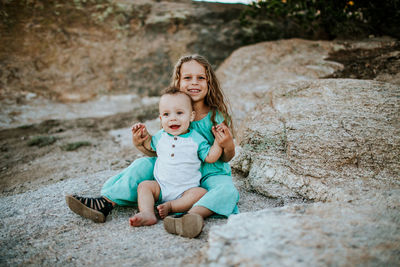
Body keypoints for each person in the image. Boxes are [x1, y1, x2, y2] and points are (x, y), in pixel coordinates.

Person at [66, 54, 239, 238]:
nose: (194, 83)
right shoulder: (172, 111)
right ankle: (106, 203)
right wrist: (140, 144)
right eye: (187, 78)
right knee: (142, 165)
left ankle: (191, 216)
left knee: (227, 190)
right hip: (174, 170)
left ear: (209, 82)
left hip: (210, 170)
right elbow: (159, 151)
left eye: (201, 78)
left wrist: (226, 144)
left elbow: (226, 156)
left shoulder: (216, 116)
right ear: (178, 81)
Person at [128, 88, 222, 234]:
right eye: (166, 114)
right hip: (161, 188)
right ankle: (147, 213)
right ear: (160, 119)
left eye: (179, 113)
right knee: (144, 186)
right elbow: (149, 145)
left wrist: (218, 142)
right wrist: (143, 135)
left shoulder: (195, 139)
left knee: (201, 192)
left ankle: (172, 206)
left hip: (186, 191)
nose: (173, 118)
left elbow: (210, 157)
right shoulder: (160, 137)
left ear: (191, 116)